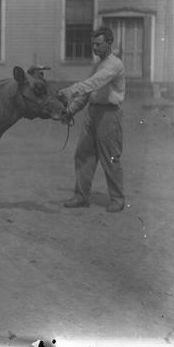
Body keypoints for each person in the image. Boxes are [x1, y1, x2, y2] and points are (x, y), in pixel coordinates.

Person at [57, 26, 126, 213]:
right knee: (83, 154)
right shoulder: (98, 65)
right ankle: (81, 196)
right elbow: (88, 93)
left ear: (109, 43)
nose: (95, 48)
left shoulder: (114, 64)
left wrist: (70, 90)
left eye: (98, 44)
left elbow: (94, 83)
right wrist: (71, 109)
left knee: (110, 158)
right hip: (93, 113)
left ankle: (118, 199)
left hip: (109, 115)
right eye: (93, 44)